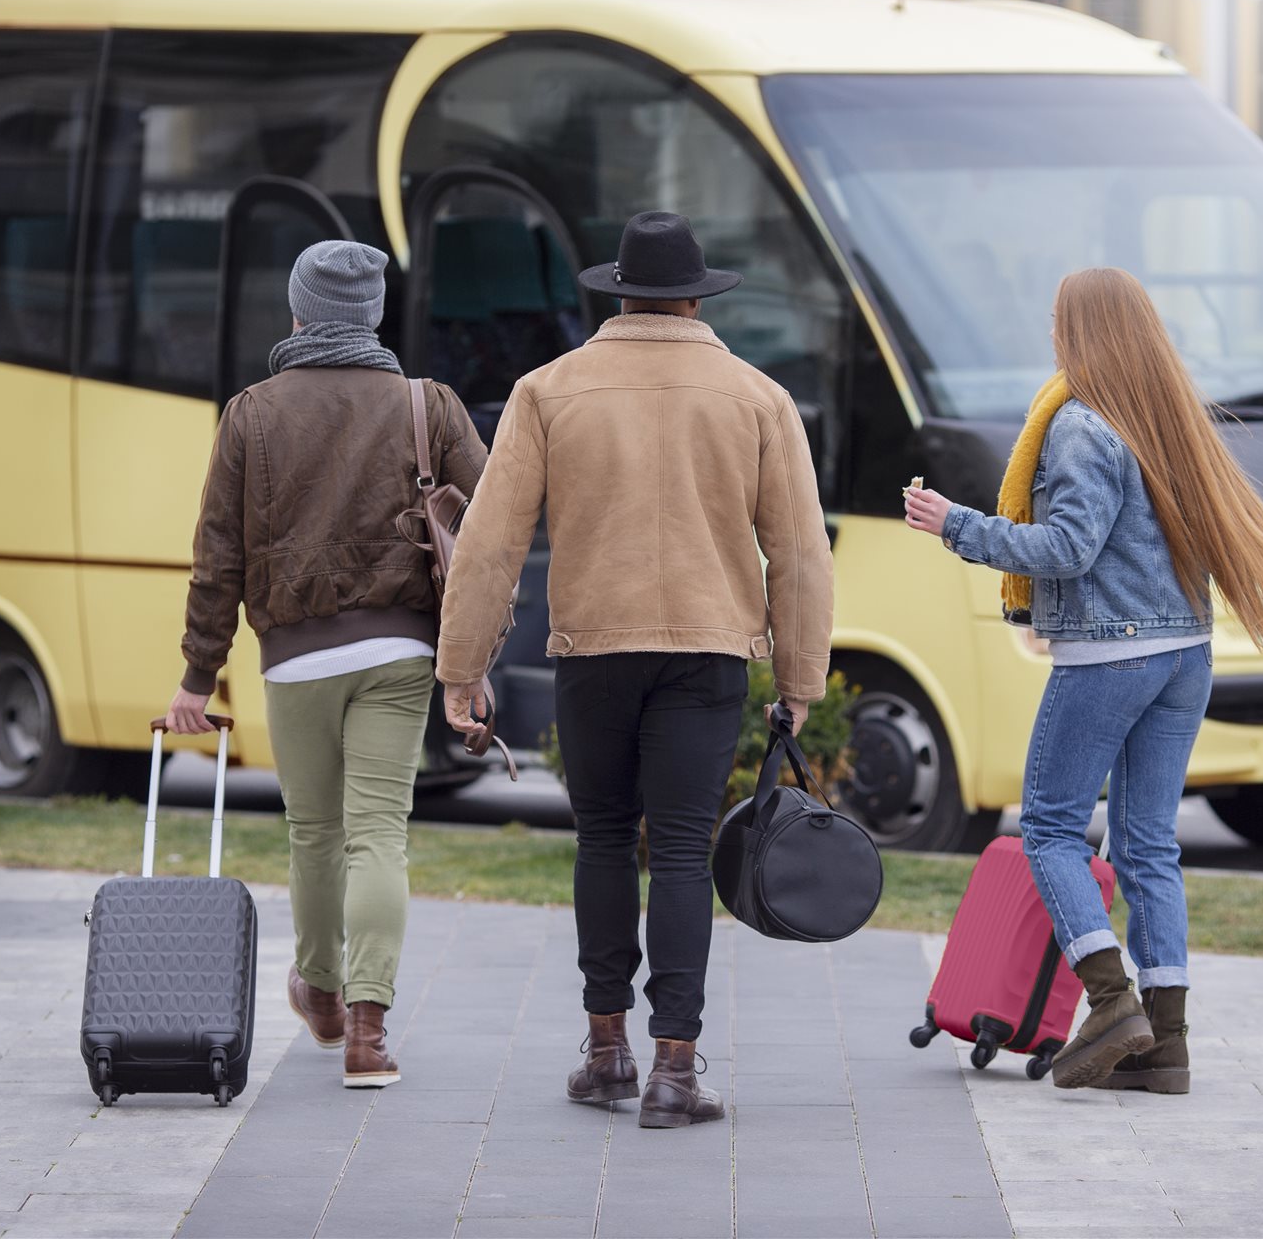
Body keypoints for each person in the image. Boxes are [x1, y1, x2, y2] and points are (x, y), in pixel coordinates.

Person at [434, 211, 835, 1128]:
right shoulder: (758, 396)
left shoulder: (547, 390)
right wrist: (801, 680)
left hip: (593, 649)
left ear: (618, 292)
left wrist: (463, 665)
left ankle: (605, 1049)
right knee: (685, 852)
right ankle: (675, 1071)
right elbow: (801, 553)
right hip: (706, 653)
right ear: (697, 296)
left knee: (605, 840)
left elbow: (491, 544)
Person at [904, 267, 1263, 1094]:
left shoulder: (1081, 426)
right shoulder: (1166, 421)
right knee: (1147, 846)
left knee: (1052, 832)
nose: (1052, 334)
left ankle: (1110, 1002)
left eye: (1058, 321)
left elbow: (1067, 548)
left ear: (1079, 332)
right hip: (1184, 654)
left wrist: (954, 524)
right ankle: (1165, 1046)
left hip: (1111, 654)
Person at [166, 240, 486, 1089]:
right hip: (401, 648)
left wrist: (199, 677)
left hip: (297, 654)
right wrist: (470, 656)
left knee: (317, 833)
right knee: (379, 831)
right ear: (374, 314)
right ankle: (369, 1038)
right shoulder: (431, 404)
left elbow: (217, 558)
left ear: (299, 311)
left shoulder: (252, 413)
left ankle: (321, 991)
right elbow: (487, 531)